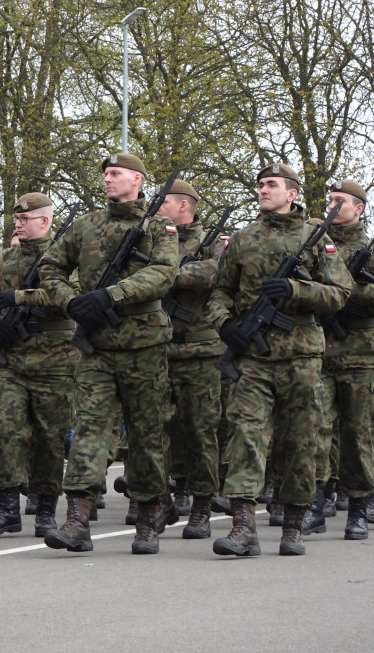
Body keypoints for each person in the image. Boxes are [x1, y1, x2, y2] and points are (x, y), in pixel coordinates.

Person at [38, 152, 179, 555]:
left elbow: (163, 273)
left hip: (144, 346)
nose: (108, 180)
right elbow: (50, 267)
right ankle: (77, 519)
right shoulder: (86, 225)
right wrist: (72, 303)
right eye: (105, 174)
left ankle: (150, 515)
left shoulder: (159, 227)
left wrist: (110, 295)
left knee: (146, 432)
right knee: (90, 429)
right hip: (97, 346)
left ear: (137, 179)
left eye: (116, 174)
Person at [206, 163, 350, 556]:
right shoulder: (243, 239)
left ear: (292, 194)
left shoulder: (315, 238)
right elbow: (219, 292)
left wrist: (295, 289)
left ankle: (293, 526)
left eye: (272, 184)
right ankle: (243, 527)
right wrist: (225, 325)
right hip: (253, 358)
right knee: (244, 436)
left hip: (301, 356)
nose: (263, 190)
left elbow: (339, 294)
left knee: (301, 442)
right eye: (260, 184)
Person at [0, 192, 76, 538]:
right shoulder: (5, 259)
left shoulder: (65, 258)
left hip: (55, 360)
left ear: (45, 221)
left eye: (26, 219)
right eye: (17, 219)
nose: (19, 224)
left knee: (51, 439)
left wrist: (18, 299)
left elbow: (67, 297)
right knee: (5, 429)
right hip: (14, 360)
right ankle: (7, 508)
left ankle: (46, 510)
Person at [303, 179, 372, 539]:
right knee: (316, 428)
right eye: (329, 200)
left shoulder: (368, 247)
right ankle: (314, 504)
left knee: (358, 434)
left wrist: (351, 289)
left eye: (339, 201)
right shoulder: (318, 244)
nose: (331, 206)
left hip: (362, 354)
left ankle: (358, 508)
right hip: (320, 350)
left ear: (358, 208)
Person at [157, 180, 225, 539]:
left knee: (200, 431)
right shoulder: (152, 237)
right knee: (153, 429)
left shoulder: (213, 240)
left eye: (163, 200)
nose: (156, 205)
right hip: (156, 348)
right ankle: (158, 498)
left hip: (199, 351)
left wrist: (167, 275)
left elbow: (218, 270)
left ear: (185, 206)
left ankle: (202, 506)